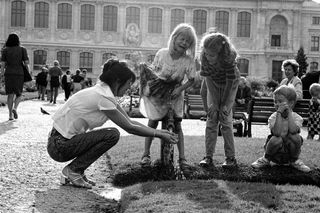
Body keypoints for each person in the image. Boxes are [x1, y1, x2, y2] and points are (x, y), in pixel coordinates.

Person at [47, 59, 178, 189]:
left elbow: (130, 121)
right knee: (112, 135)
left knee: (110, 134)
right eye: (128, 83)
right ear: (117, 82)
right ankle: (73, 170)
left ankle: (77, 171)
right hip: (59, 146)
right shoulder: (103, 98)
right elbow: (130, 128)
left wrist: (159, 132)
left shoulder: (104, 93)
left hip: (59, 142)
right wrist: (158, 134)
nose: (129, 88)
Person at [139, 23, 197, 167]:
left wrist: (180, 89)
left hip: (174, 94)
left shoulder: (188, 60)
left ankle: (182, 158)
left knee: (177, 126)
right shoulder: (162, 53)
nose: (184, 43)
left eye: (188, 41)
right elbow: (154, 71)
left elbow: (191, 80)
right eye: (182, 39)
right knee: (152, 122)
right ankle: (146, 154)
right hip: (158, 93)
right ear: (175, 38)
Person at [198, 32, 240, 168]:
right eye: (206, 53)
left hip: (230, 84)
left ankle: (230, 158)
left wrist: (224, 105)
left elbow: (229, 87)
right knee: (212, 119)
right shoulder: (204, 59)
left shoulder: (229, 62)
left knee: (225, 119)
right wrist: (214, 104)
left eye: (211, 55)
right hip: (214, 83)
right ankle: (208, 156)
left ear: (220, 55)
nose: (208, 57)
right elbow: (208, 82)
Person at [251, 85, 310, 172]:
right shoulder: (273, 117)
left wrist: (289, 113)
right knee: (276, 139)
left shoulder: (297, 118)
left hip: (289, 154)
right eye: (275, 102)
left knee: (296, 137)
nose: (277, 104)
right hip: (275, 154)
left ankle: (294, 161)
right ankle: (266, 159)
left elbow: (293, 130)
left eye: (280, 101)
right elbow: (277, 133)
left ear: (290, 103)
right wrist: (279, 113)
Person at [0, 33, 30, 120]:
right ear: (18, 40)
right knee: (19, 94)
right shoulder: (22, 49)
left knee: (10, 95)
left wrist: (2, 75)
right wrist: (28, 73)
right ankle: (15, 108)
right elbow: (26, 63)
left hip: (8, 73)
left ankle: (10, 115)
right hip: (19, 73)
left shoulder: (5, 50)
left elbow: (2, 65)